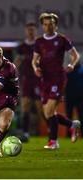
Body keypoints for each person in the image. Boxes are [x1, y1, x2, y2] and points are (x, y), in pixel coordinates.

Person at [32, 12, 80, 149]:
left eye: (51, 24)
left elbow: (75, 56)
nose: (48, 27)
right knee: (48, 113)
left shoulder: (62, 40)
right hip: (44, 80)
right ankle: (72, 125)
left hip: (58, 78)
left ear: (56, 25)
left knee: (48, 112)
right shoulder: (39, 41)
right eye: (46, 24)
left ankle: (53, 141)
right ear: (42, 26)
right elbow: (34, 61)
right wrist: (35, 68)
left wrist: (71, 64)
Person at [14, 22, 45, 142]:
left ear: (36, 31)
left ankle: (51, 131)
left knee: (41, 108)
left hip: (38, 80)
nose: (30, 32)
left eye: (32, 30)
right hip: (26, 80)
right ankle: (25, 132)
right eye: (29, 30)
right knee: (25, 106)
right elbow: (17, 63)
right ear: (26, 31)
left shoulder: (40, 45)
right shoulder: (22, 47)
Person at [65, 62, 83, 136]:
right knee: (69, 116)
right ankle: (69, 133)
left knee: (81, 116)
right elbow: (64, 83)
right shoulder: (68, 71)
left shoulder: (81, 71)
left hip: (80, 97)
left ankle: (82, 133)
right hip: (70, 97)